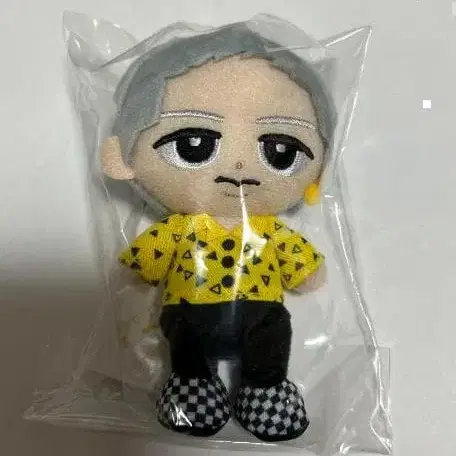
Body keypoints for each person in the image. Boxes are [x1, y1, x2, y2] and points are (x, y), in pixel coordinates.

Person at [101, 22, 335, 441]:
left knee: (271, 336)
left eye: (280, 151)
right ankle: (192, 385)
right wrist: (134, 283)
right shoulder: (179, 228)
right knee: (187, 345)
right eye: (193, 145)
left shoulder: (268, 230)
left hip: (260, 309)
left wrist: (308, 271)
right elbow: (142, 265)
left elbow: (301, 263)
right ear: (123, 156)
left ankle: (264, 387)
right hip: (190, 309)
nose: (238, 167)